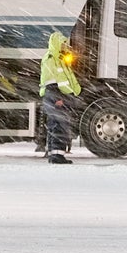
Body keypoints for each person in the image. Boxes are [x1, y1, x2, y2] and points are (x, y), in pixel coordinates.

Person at [40, 31, 81, 165]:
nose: (65, 46)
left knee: (59, 125)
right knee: (58, 125)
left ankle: (57, 155)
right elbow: (51, 80)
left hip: (59, 95)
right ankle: (56, 156)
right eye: (63, 44)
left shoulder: (60, 59)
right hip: (55, 95)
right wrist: (58, 97)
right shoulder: (51, 59)